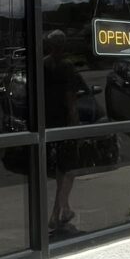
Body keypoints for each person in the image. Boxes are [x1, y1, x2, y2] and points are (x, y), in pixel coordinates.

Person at [43, 29, 81, 231]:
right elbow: (71, 98)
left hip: (47, 123)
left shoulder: (43, 65)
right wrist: (75, 124)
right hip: (64, 124)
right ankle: (56, 213)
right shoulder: (66, 66)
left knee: (61, 170)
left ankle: (64, 209)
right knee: (68, 170)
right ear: (63, 45)